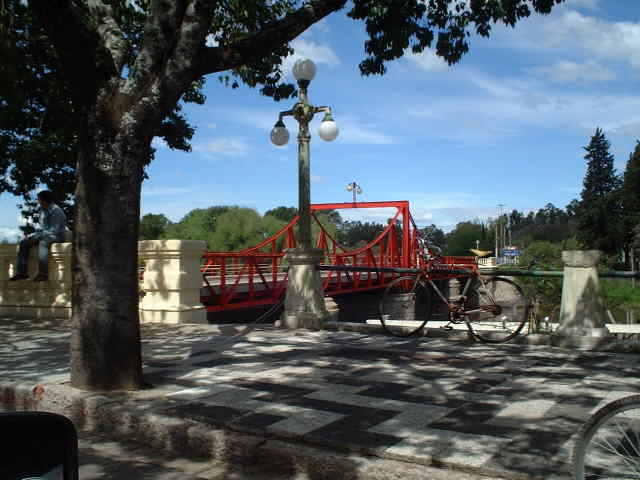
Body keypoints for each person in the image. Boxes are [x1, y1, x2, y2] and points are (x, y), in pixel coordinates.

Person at [9, 190, 68, 282]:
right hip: (45, 234)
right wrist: (33, 236)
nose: (38, 201)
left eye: (39, 199)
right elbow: (42, 228)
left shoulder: (56, 211)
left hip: (57, 236)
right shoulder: (42, 210)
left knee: (43, 243)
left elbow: (54, 230)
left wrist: (38, 236)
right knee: (24, 242)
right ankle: (22, 273)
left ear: (45, 200)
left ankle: (43, 274)